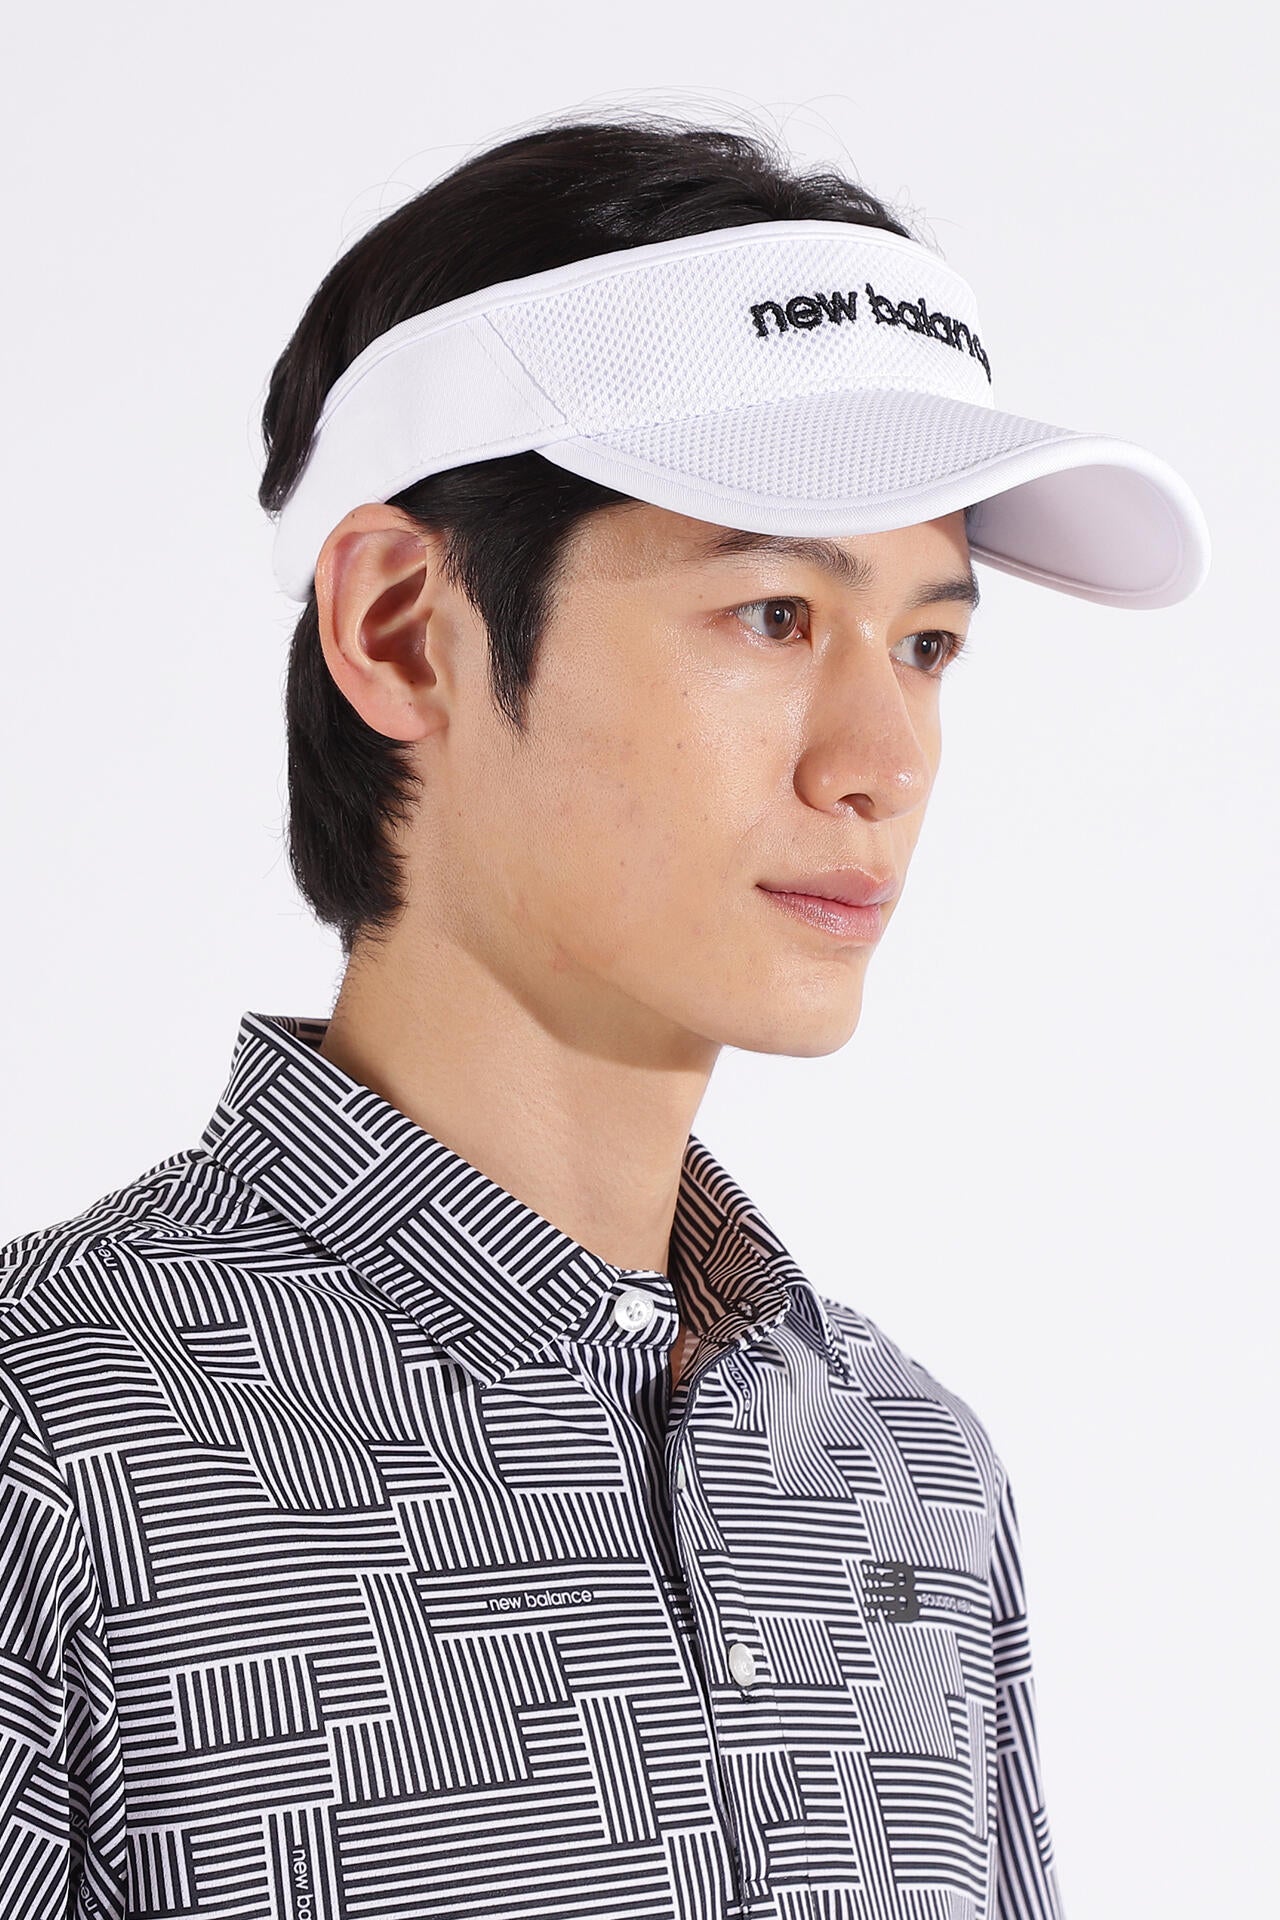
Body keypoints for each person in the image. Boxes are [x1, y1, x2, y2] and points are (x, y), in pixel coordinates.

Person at [0, 111, 1208, 1920]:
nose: (883, 761)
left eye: (928, 645)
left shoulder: (908, 1475)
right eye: (773, 612)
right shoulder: (57, 1441)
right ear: (404, 631)